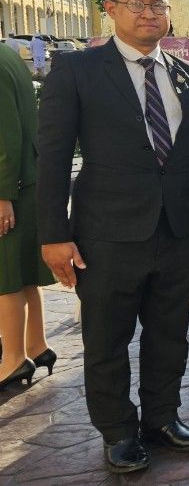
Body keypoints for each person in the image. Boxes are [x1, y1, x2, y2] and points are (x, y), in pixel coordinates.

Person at [35, 0, 189, 473]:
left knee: (169, 335)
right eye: (137, 3)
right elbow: (52, 158)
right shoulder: (78, 71)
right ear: (111, 9)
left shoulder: (188, 76)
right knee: (107, 339)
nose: (149, 13)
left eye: (158, 4)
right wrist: (54, 234)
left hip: (175, 232)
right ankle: (117, 430)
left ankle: (162, 417)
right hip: (106, 234)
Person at [0, 41, 56, 392]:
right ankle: (37, 346)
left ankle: (13, 358)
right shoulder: (7, 54)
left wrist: (2, 194)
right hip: (24, 182)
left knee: (5, 277)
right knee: (22, 275)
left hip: (10, 187)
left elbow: (5, 136)